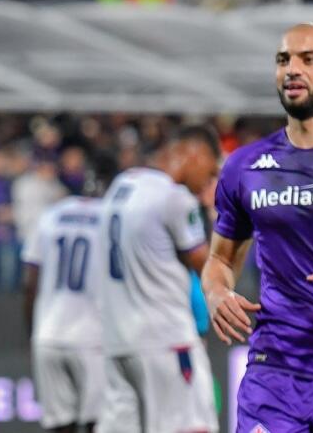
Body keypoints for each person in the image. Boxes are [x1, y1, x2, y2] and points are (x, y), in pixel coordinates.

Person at [204, 23, 313, 431]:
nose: (293, 69)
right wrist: (216, 292)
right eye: (283, 59)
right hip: (275, 373)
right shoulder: (245, 166)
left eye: (309, 60)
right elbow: (220, 257)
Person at [96, 126, 219, 432]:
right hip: (166, 342)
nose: (209, 181)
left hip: (118, 343)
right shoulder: (174, 197)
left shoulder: (122, 185)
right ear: (195, 155)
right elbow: (213, 270)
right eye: (211, 170)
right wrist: (220, 215)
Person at [22, 196, 104, 433]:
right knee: (97, 423)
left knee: (58, 426)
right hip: (93, 335)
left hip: (48, 334)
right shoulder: (110, 215)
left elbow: (30, 283)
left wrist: (32, 334)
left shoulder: (50, 215)